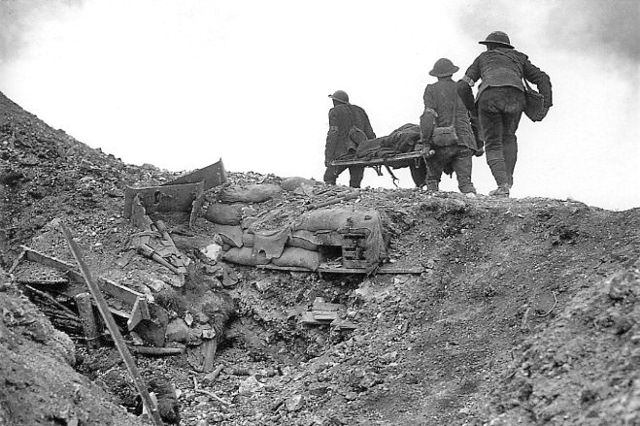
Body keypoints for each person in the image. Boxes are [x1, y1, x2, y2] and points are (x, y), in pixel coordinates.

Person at [457, 31, 552, 197]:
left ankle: (502, 185)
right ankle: (507, 181)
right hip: (516, 97)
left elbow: (463, 86)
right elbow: (543, 78)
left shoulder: (483, 58)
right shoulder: (519, 58)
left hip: (489, 98)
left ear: (490, 46)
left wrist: (473, 110)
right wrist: (546, 104)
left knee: (493, 142)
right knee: (508, 137)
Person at [417, 58, 481, 195]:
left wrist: (426, 144)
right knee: (466, 183)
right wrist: (478, 143)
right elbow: (475, 117)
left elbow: (428, 116)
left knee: (433, 181)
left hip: (441, 144)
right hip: (465, 142)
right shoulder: (462, 89)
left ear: (436, 75)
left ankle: (432, 207)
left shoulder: (431, 90)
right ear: (452, 73)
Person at [324, 90, 376, 188]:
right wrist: (371, 151)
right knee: (355, 184)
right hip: (360, 154)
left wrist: (328, 156)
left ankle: (332, 199)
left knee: (329, 178)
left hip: (342, 154)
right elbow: (370, 134)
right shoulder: (360, 111)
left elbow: (332, 135)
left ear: (335, 101)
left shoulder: (335, 112)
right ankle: (354, 202)